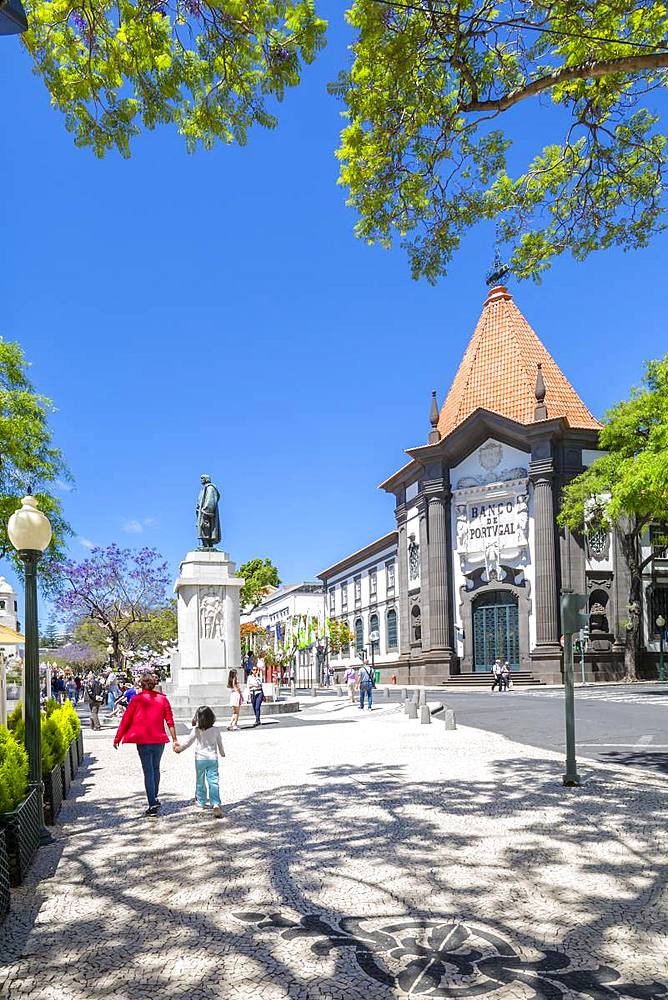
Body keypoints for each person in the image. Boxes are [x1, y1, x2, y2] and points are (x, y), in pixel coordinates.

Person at [113, 672, 178, 816]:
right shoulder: (163, 700)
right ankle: (154, 796)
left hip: (142, 740)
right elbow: (170, 721)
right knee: (156, 768)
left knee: (148, 771)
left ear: (141, 685)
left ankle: (152, 803)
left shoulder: (136, 700)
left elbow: (126, 720)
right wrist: (174, 739)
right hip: (159, 739)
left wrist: (118, 737)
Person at [174, 705, 225, 818]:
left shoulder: (196, 730)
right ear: (211, 717)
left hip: (200, 759)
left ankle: (201, 801)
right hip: (212, 758)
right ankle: (215, 803)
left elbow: (188, 742)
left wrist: (179, 749)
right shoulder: (216, 730)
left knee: (200, 780)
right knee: (213, 781)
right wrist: (222, 753)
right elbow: (219, 743)